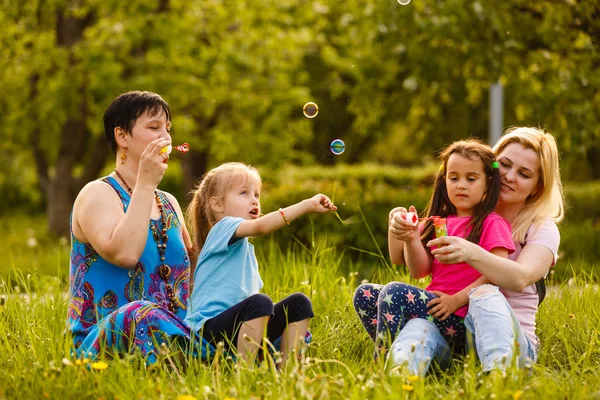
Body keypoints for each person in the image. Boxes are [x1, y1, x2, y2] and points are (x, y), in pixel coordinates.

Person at [385, 127, 564, 375]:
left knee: (484, 294)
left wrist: (470, 252)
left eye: (524, 174)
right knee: (417, 325)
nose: (510, 177)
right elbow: (400, 259)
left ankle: (500, 374)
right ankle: (397, 376)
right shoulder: (465, 212)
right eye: (505, 165)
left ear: (537, 186)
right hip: (458, 337)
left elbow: (520, 277)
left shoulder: (541, 228)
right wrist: (397, 221)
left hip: (513, 344)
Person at [354, 139, 515, 361]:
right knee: (364, 294)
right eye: (454, 177)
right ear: (444, 180)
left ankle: (380, 363)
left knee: (394, 293)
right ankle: (403, 350)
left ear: (487, 184)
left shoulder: (491, 222)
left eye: (471, 179)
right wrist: (411, 238)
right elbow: (419, 271)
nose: (461, 185)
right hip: (435, 310)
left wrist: (456, 300)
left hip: (463, 318)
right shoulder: (437, 223)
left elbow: (498, 274)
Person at [66, 90, 195, 363]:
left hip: (176, 331)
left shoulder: (168, 202)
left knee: (256, 308)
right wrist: (146, 182)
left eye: (168, 129)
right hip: (103, 340)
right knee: (142, 312)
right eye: (153, 127)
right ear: (122, 136)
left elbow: (194, 271)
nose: (166, 137)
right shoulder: (97, 194)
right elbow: (125, 255)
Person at [184, 162, 337, 367]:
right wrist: (307, 205)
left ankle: (286, 375)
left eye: (256, 195)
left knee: (299, 303)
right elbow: (262, 227)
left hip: (239, 326)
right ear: (217, 205)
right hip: (207, 331)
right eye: (244, 193)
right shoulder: (222, 228)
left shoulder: (245, 251)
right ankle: (245, 376)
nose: (254, 200)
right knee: (260, 302)